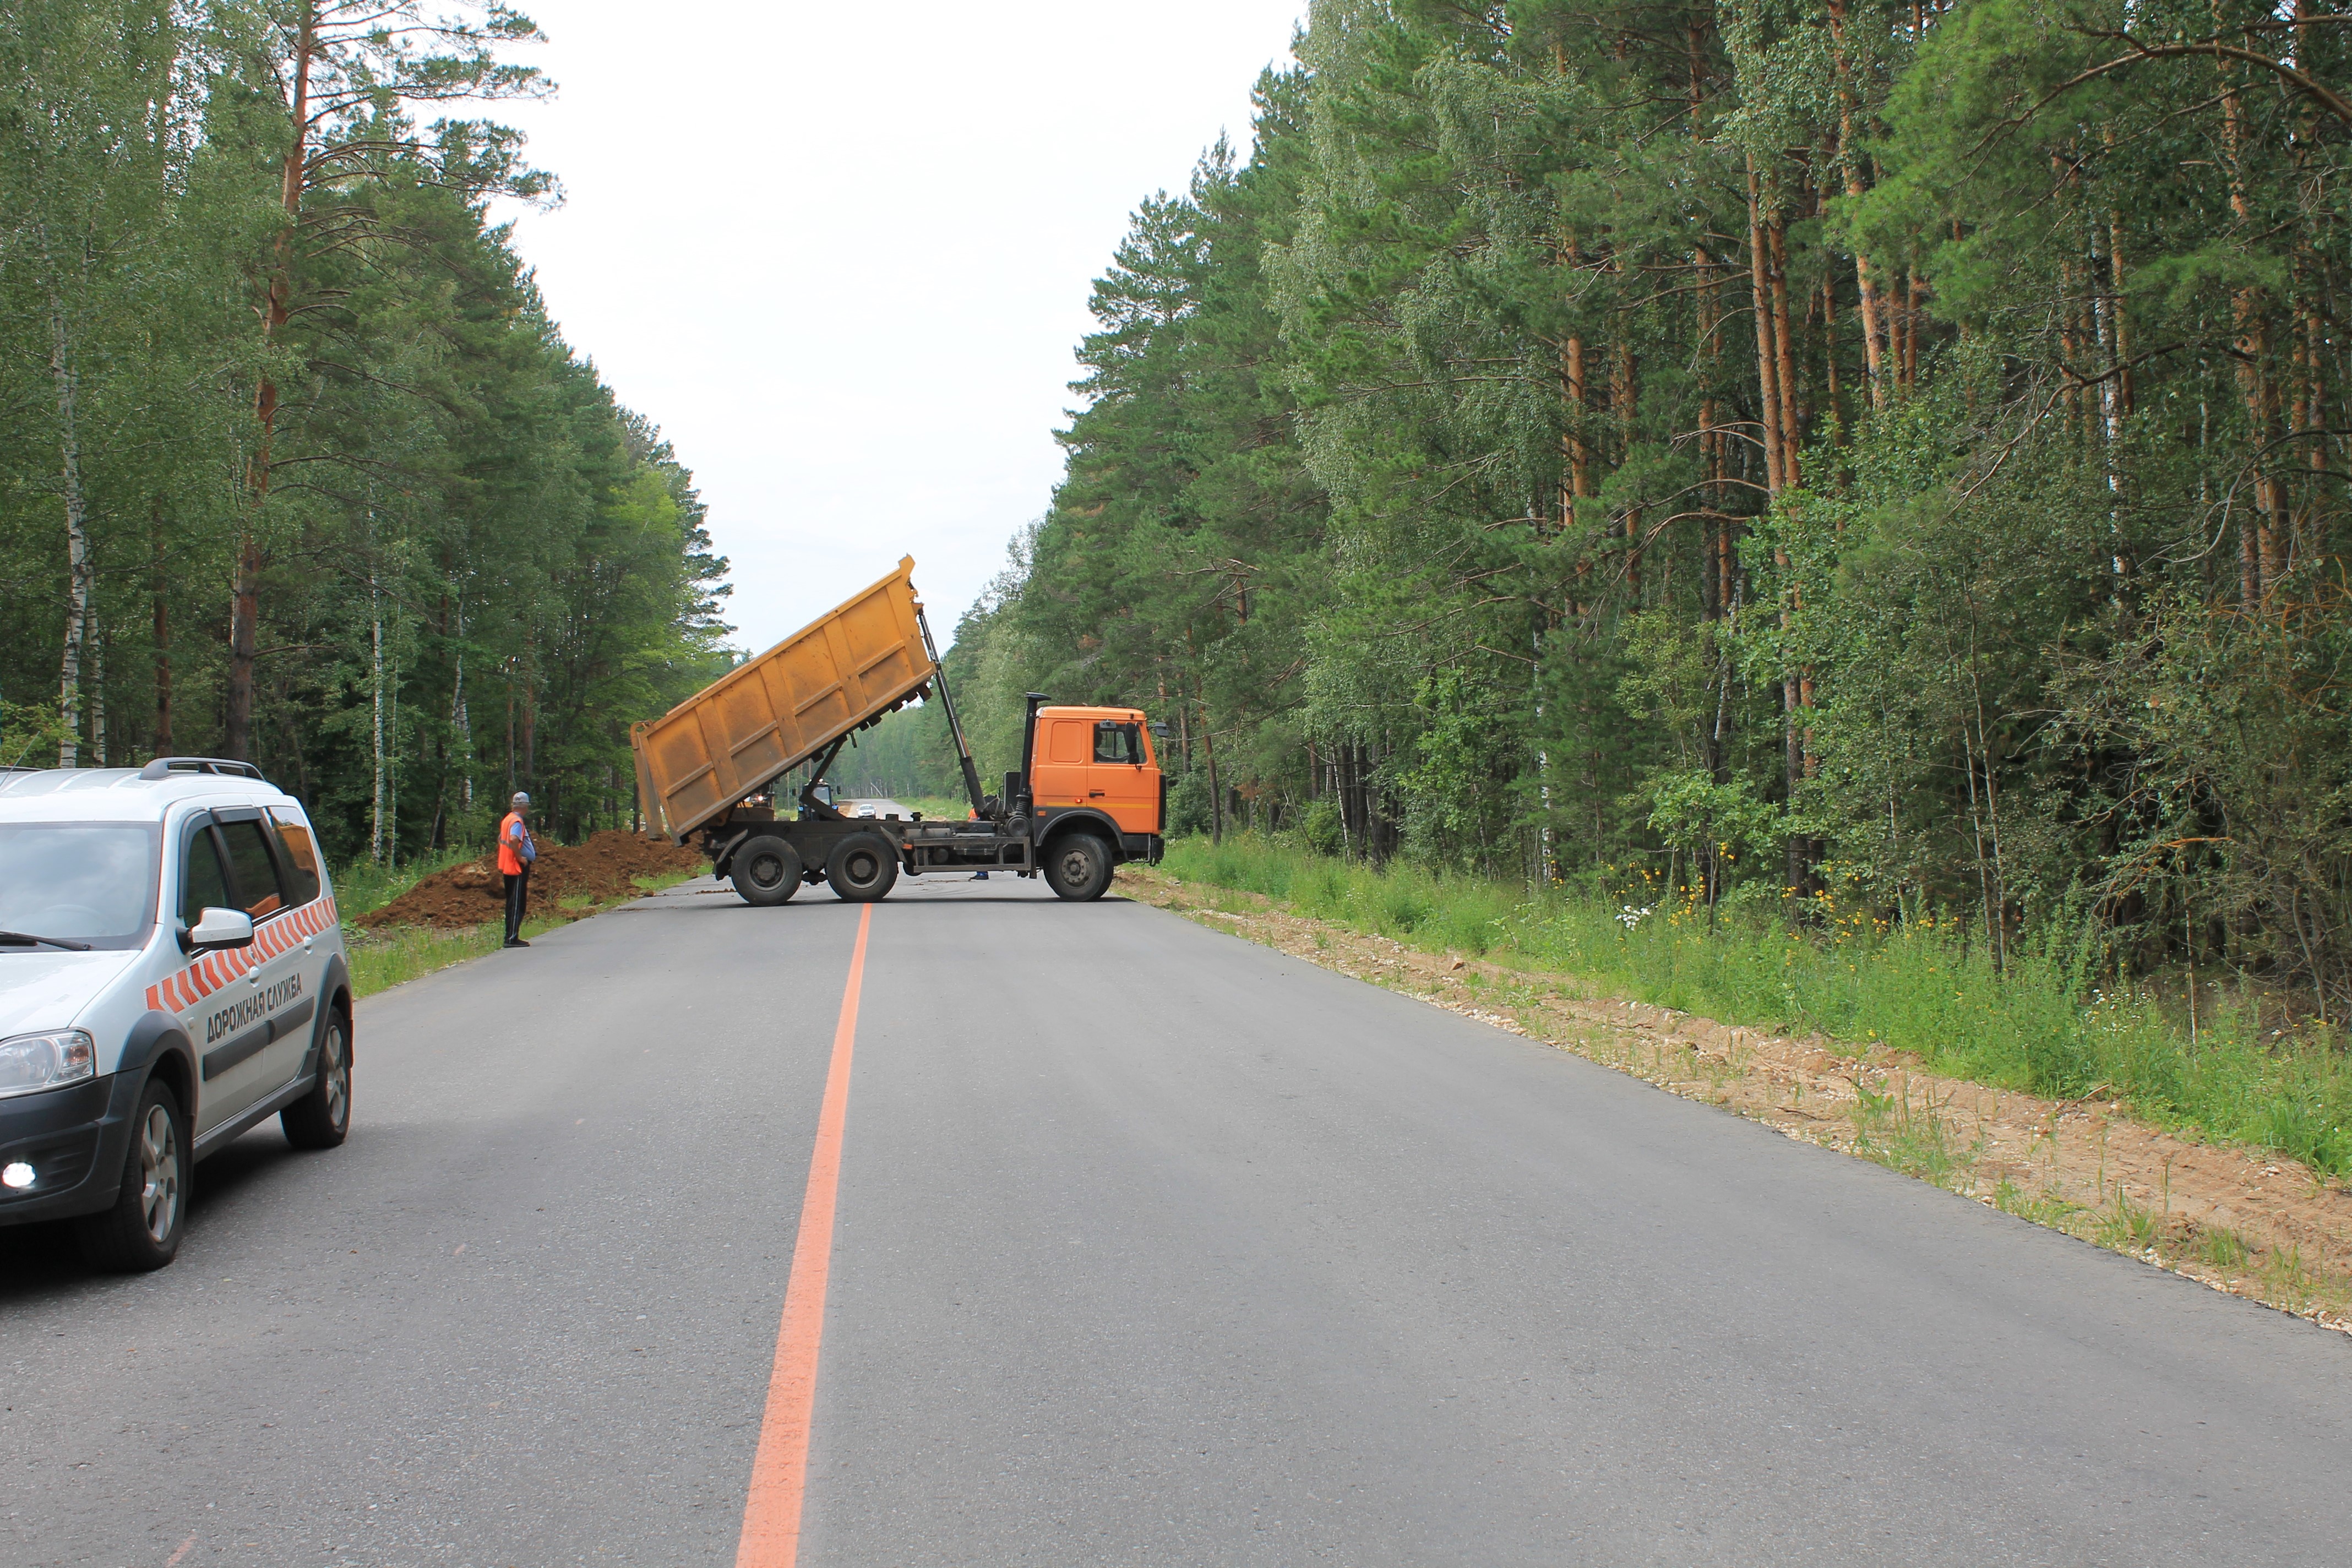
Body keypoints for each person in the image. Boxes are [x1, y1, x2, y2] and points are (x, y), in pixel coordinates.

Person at [499, 792, 537, 948]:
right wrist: (520, 857)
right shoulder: (517, 821)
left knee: (512, 901)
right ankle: (512, 938)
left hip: (508, 864)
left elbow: (501, 838)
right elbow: (514, 839)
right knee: (517, 903)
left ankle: (511, 936)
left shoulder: (507, 819)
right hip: (516, 866)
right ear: (525, 806)